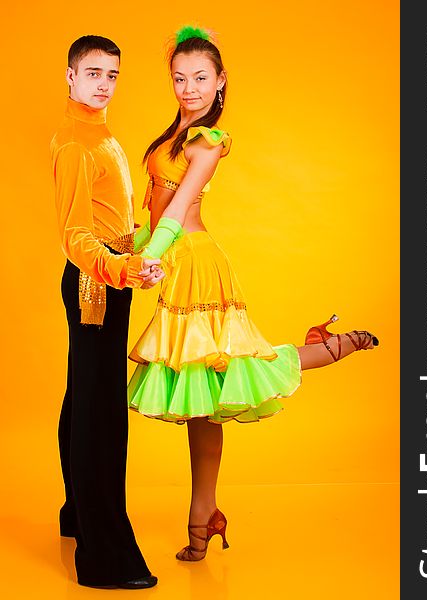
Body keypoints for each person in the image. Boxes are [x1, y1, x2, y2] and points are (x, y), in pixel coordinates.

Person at [128, 25, 379, 562]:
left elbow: (179, 208)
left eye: (200, 78)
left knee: (231, 381)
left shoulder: (209, 142)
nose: (189, 88)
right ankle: (205, 515)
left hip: (195, 267)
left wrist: (151, 253)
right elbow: (155, 209)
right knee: (201, 401)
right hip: (172, 262)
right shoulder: (174, 134)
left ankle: (334, 345)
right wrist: (132, 245)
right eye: (179, 78)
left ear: (221, 83)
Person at [51, 35, 162, 588]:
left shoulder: (100, 133)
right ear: (69, 77)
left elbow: (110, 220)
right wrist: (123, 268)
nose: (103, 84)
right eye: (92, 73)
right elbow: (75, 237)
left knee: (85, 399)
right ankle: (101, 552)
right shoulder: (74, 143)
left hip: (110, 277)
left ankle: (78, 514)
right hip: (94, 286)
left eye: (112, 75)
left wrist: (138, 250)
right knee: (100, 415)